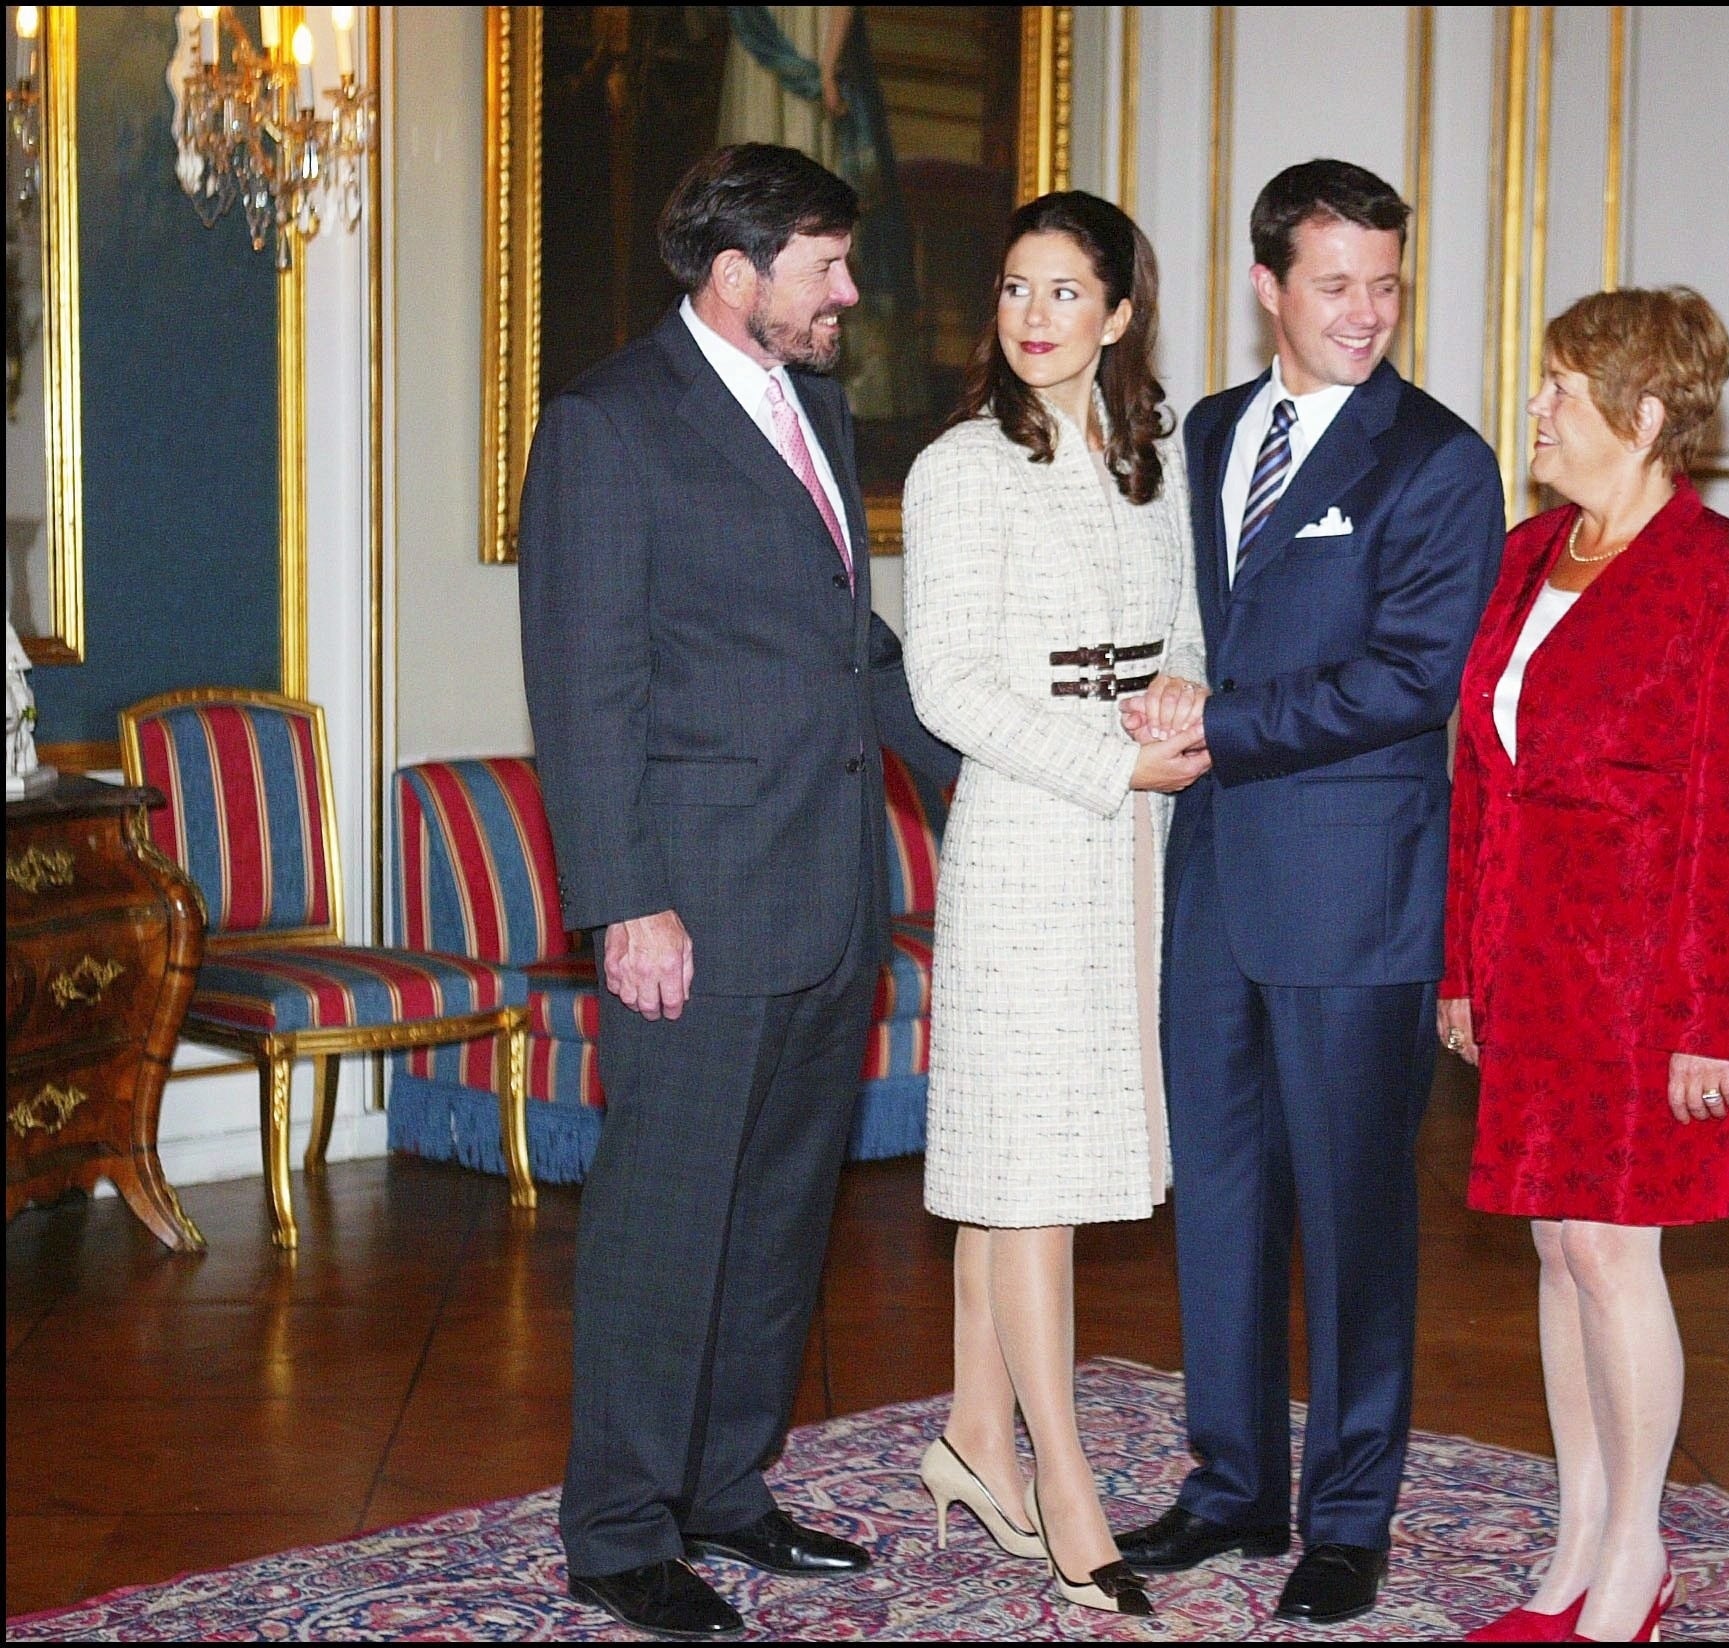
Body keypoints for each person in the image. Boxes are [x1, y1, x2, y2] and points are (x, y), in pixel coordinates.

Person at [519, 142, 958, 1643]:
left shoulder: (818, 407)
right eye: (825, 265)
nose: (849, 290)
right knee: (665, 1227)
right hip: (691, 910)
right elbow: (586, 687)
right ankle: (620, 1533)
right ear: (734, 277)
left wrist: (994, 786)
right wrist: (625, 900)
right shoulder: (605, 424)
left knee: (776, 1219)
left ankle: (722, 1490)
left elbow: (857, 650)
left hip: (828, 895)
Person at [1113, 159, 1506, 1626]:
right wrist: (1167, 686)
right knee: (1217, 1197)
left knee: (1350, 1218)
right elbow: (1200, 621)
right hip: (1212, 876)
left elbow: (1417, 679)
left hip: (1356, 893)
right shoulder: (1212, 429)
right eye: (1336, 284)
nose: (1367, 312)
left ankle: (1348, 1519)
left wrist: (1223, 723)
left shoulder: (1439, 461)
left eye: (1388, 284)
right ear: (1269, 285)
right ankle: (1229, 1488)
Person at [1442, 288, 1729, 1644]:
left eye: (1560, 387)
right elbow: (1482, 773)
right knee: (1555, 1244)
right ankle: (1577, 1543)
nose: (1534, 408)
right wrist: (1461, 964)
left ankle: (1638, 1555)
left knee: (1612, 1251)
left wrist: (1715, 1017)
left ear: (1647, 414)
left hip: (1646, 980)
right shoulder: (1529, 549)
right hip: (1527, 960)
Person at [899, 190, 1207, 1619]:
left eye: (1065, 292)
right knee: (1027, 1174)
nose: (1033, 315)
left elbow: (1189, 631)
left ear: (1121, 313)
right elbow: (946, 685)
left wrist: (1180, 698)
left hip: (1131, 852)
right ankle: (1067, 1489)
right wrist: (1115, 763)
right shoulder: (964, 466)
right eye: (1017, 287)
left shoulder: (1159, 459)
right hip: (1030, 834)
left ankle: (973, 1433)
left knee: (1031, 1153)